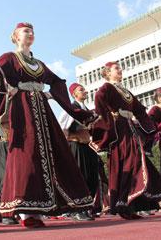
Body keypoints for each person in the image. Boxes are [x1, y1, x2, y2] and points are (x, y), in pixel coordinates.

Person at [0, 22, 97, 228]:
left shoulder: (38, 63)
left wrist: (50, 94)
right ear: (15, 36)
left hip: (42, 110)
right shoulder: (10, 58)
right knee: (26, 155)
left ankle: (45, 206)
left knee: (49, 154)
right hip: (22, 109)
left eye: (32, 31)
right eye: (26, 31)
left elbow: (56, 81)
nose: (30, 34)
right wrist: (7, 88)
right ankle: (25, 210)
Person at [91, 62, 161, 220]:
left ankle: (133, 203)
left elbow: (140, 110)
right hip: (119, 131)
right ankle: (124, 203)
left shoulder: (125, 91)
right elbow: (99, 101)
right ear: (108, 73)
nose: (120, 70)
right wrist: (109, 120)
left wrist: (151, 129)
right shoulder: (107, 88)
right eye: (116, 68)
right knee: (128, 162)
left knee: (138, 160)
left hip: (130, 129)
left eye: (120, 68)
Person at [59, 83, 99, 221]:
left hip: (88, 146)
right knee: (81, 176)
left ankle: (87, 207)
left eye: (84, 89)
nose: (85, 91)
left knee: (93, 177)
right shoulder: (70, 108)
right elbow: (62, 127)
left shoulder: (87, 110)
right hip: (76, 145)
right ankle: (78, 209)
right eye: (81, 90)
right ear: (73, 94)